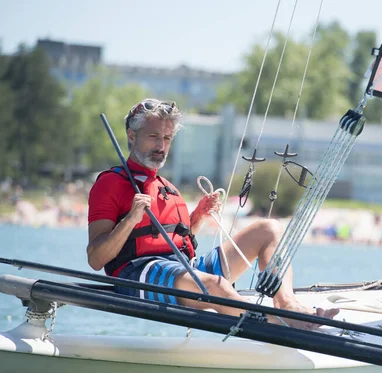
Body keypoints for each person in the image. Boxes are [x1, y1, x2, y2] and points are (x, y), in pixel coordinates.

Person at [86, 98, 338, 328]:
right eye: (153, 136)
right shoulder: (111, 183)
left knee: (269, 229)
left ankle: (286, 304)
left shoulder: (168, 188)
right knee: (216, 285)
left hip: (181, 269)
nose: (161, 146)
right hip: (138, 273)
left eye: (167, 138)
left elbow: (178, 247)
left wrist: (196, 220)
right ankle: (282, 323)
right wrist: (130, 219)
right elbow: (96, 258)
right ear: (132, 136)